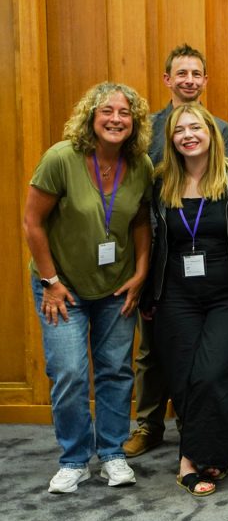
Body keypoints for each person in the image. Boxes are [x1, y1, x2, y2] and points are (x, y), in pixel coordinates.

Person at [23, 82, 153, 493]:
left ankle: (113, 453)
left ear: (135, 123)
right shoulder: (61, 158)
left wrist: (141, 273)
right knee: (69, 372)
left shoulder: (142, 166)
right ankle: (75, 459)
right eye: (107, 112)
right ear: (91, 117)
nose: (116, 119)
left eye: (125, 114)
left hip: (117, 287)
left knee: (116, 371)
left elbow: (140, 223)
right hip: (62, 287)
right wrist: (51, 282)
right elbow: (32, 223)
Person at [126, 43, 228, 459]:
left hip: (201, 248)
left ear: (205, 81)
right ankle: (149, 423)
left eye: (196, 74)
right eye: (181, 73)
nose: (189, 80)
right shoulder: (148, 129)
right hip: (156, 244)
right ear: (167, 79)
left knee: (194, 349)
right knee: (152, 346)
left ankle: (195, 427)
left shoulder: (221, 128)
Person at [145, 103, 228, 496]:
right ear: (171, 139)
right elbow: (150, 241)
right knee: (185, 378)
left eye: (196, 127)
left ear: (211, 132)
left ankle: (197, 456)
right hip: (177, 296)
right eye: (180, 130)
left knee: (213, 373)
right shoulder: (160, 182)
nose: (188, 135)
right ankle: (195, 459)